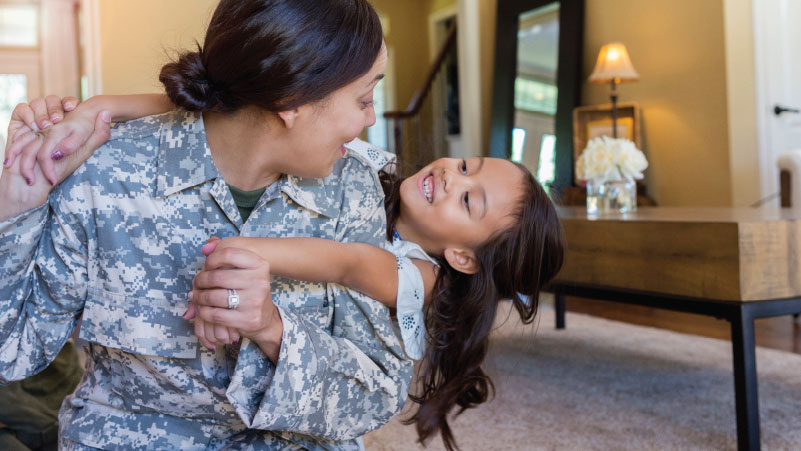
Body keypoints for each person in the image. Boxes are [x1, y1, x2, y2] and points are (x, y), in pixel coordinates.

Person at [9, 104, 564, 451]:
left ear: (464, 258)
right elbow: (217, 111)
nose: (450, 176)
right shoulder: (371, 166)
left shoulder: (417, 276)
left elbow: (342, 261)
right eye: (466, 165)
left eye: (469, 201)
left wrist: (236, 251)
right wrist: (104, 106)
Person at [0, 0, 414, 449]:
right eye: (364, 99)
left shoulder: (352, 187)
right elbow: (14, 352)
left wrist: (273, 330)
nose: (370, 119)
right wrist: (15, 206)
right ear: (290, 100)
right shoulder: (105, 168)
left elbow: (379, 395)